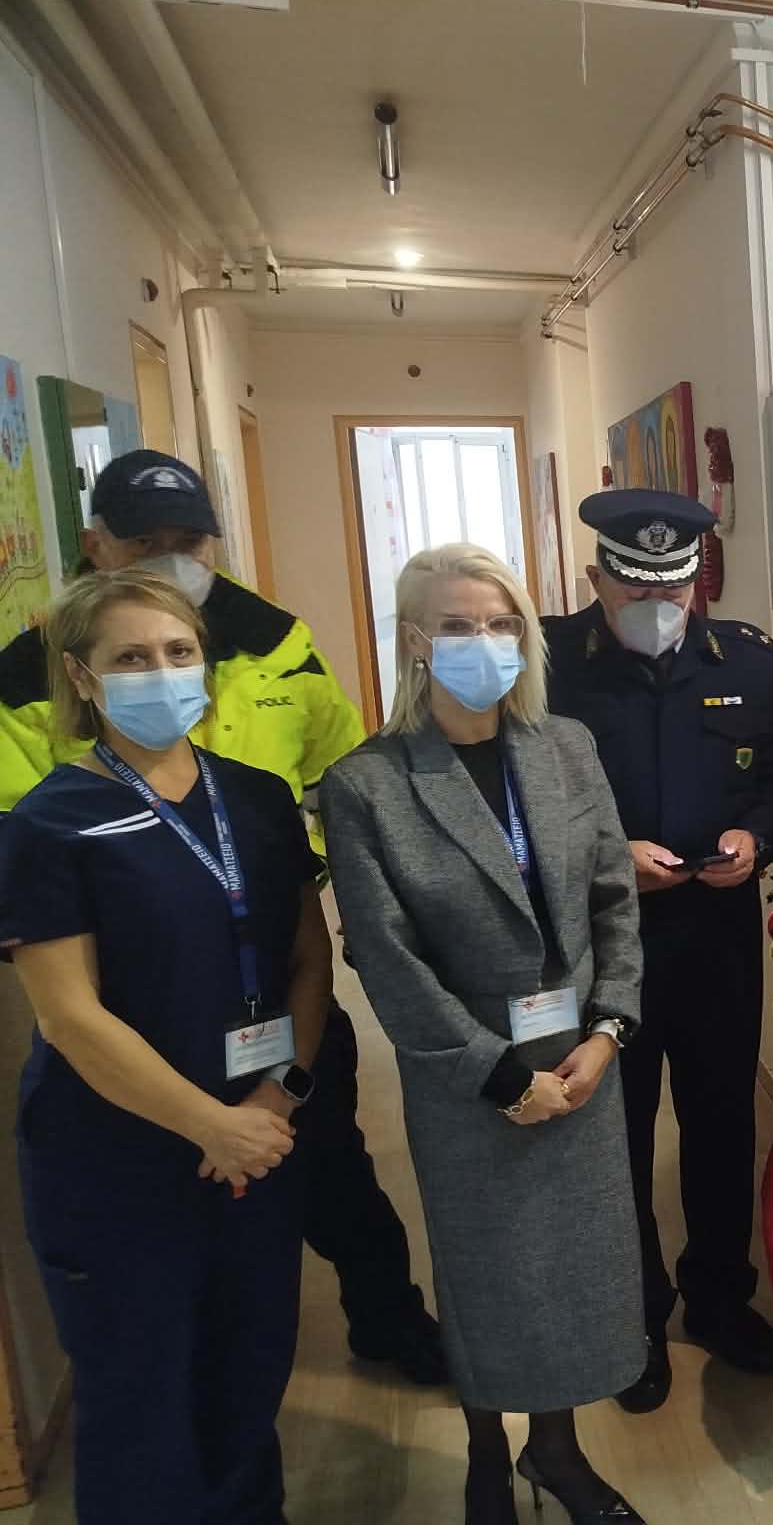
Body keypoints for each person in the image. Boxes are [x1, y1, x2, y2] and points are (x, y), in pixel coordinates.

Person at [0, 449, 446, 1385]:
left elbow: (342, 772)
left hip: (275, 987)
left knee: (330, 1183)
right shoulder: (24, 681)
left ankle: (388, 1325)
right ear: (98, 545)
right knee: (161, 1298)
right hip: (145, 1001)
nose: (173, 559)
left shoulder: (274, 638)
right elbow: (36, 870)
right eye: (146, 543)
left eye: (190, 541)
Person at [323, 545, 646, 1525]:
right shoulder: (367, 784)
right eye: (458, 626)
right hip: (467, 1073)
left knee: (571, 1271)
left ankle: (556, 1451)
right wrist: (496, 1074)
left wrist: (609, 1029)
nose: (484, 642)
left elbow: (613, 899)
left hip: (581, 1062)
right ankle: (483, 1450)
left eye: (503, 623)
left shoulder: (566, 747)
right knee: (488, 1273)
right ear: (415, 642)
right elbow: (386, 958)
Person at [0, 570, 332, 1523]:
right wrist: (209, 1125)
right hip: (118, 1160)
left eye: (178, 652)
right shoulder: (50, 823)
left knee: (249, 1372)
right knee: (142, 1405)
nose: (161, 672)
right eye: (132, 658)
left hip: (256, 1138)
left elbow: (308, 959)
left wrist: (279, 1096)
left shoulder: (258, 799)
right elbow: (70, 1017)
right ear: (82, 676)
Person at [543, 488, 773, 1401]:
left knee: (722, 1121)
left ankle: (719, 1298)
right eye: (637, 590)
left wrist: (757, 839)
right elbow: (521, 800)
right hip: (600, 936)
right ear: (597, 579)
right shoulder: (548, 666)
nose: (659, 606)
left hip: (714, 932)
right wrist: (606, 856)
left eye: (675, 589)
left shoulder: (748, 661)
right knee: (613, 1132)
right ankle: (636, 1314)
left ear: (698, 582)